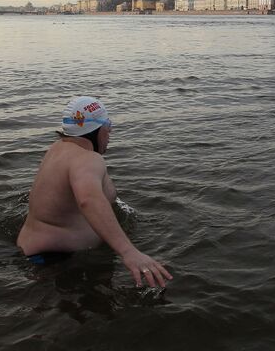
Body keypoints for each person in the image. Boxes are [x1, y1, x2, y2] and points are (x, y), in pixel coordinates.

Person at [17, 96, 172, 288]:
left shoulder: (57, 149)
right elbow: (88, 200)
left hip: (34, 255)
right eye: (108, 124)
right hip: (59, 262)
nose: (110, 131)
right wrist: (129, 252)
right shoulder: (87, 159)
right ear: (96, 129)